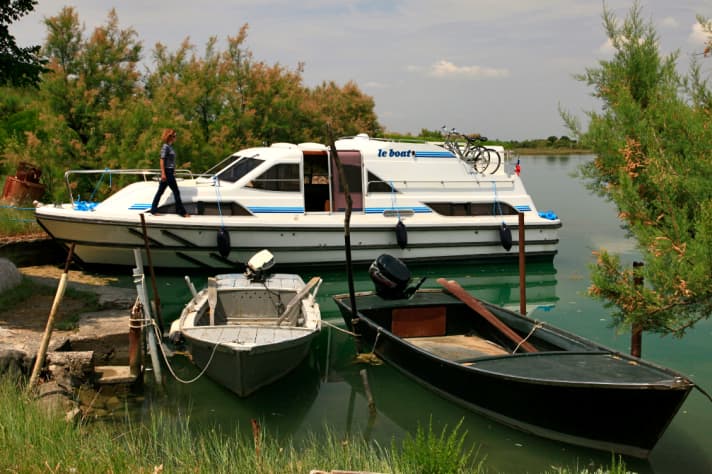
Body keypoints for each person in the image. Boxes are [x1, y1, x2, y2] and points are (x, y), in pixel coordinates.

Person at [149, 128, 189, 217]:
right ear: (170, 137)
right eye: (175, 136)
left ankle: (153, 210)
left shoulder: (170, 147)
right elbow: (162, 160)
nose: (176, 138)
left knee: (160, 191)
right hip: (167, 172)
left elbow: (171, 161)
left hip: (170, 171)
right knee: (176, 191)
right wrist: (163, 173)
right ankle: (181, 212)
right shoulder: (165, 147)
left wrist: (173, 170)